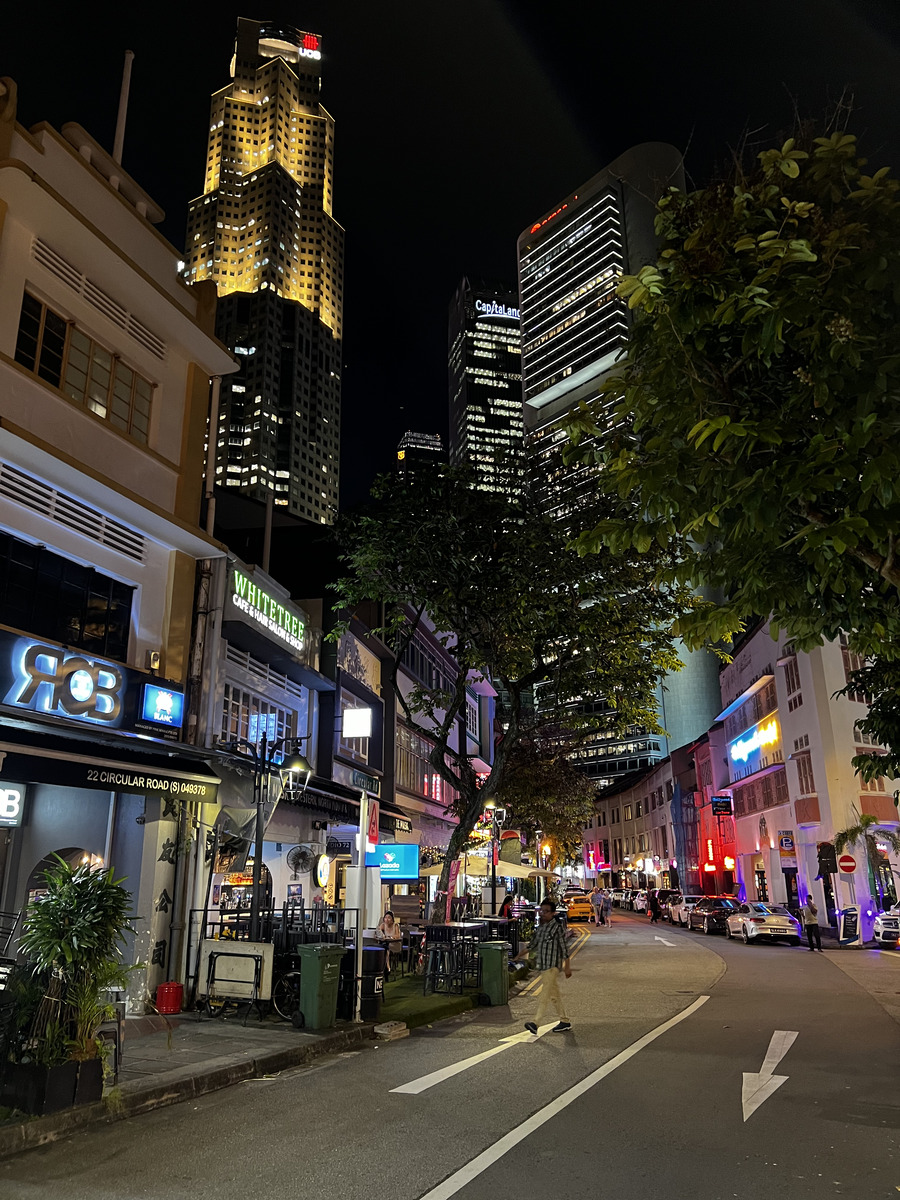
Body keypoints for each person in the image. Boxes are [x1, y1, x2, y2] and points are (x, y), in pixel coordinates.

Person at [515, 899, 572, 1033]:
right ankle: (565, 1021)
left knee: (544, 995)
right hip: (543, 966)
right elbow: (532, 945)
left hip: (551, 967)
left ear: (553, 913)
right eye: (542, 911)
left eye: (546, 911)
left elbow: (564, 949)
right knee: (554, 995)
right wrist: (518, 956)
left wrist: (567, 967)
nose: (543, 914)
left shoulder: (557, 928)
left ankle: (536, 1022)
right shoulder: (541, 928)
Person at [376, 910, 403, 976]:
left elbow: (397, 936)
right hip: (387, 944)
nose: (387, 919)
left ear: (392, 919)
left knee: (386, 949)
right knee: (383, 948)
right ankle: (382, 967)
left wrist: (389, 937)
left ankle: (387, 967)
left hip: (395, 944)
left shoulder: (396, 925)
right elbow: (378, 931)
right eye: (385, 917)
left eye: (389, 917)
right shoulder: (383, 925)